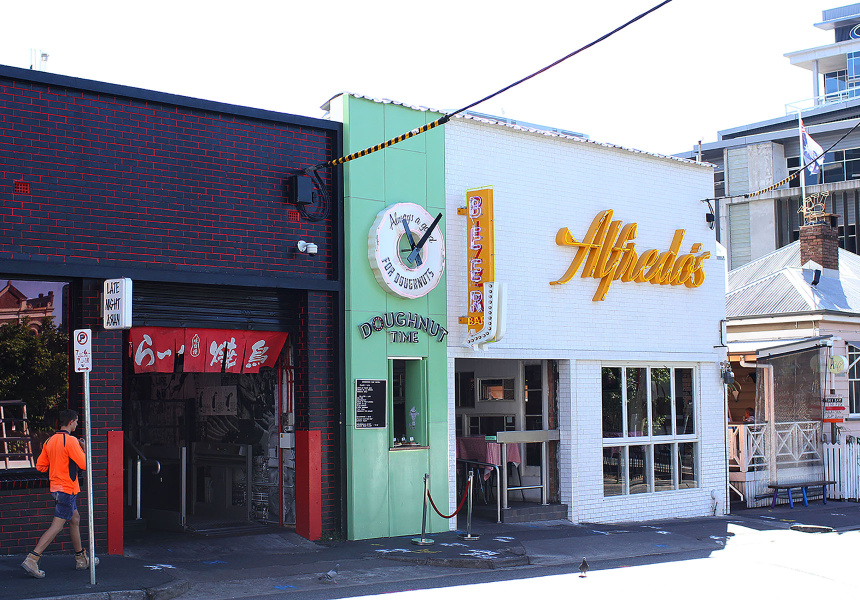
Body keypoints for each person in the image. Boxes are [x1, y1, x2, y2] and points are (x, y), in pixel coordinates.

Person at [21, 409, 98, 578]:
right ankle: (32, 559)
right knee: (57, 526)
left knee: (74, 519)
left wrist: (57, 463)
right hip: (67, 490)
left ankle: (81, 558)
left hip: (57, 488)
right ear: (71, 422)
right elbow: (85, 465)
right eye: (76, 422)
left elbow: (41, 466)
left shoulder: (49, 440)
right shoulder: (70, 442)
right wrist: (83, 449)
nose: (77, 424)